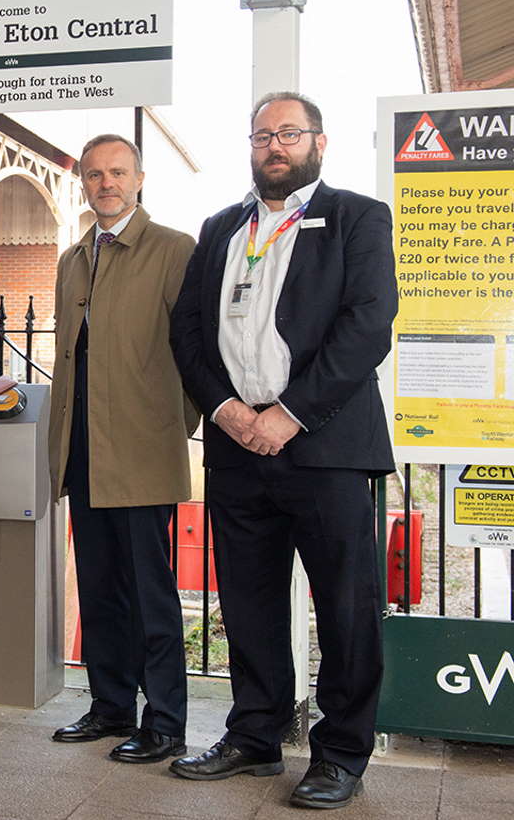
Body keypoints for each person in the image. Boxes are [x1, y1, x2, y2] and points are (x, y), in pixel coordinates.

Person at [168, 92, 396, 809]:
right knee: (249, 601)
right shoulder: (221, 227)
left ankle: (341, 755)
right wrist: (230, 410)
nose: (275, 145)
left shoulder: (357, 217)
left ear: (318, 144)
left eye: (289, 134)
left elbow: (369, 325)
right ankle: (254, 736)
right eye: (263, 134)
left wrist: (289, 415)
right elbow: (189, 335)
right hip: (239, 449)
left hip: (324, 448)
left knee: (346, 607)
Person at [46, 135, 197, 763]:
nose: (105, 183)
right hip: (84, 450)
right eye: (94, 175)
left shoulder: (174, 250)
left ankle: (165, 721)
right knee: (102, 585)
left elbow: (196, 350)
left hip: (139, 449)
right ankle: (111, 707)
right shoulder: (72, 258)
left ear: (139, 178)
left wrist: (169, 425)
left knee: (149, 592)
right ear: (83, 182)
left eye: (117, 173)